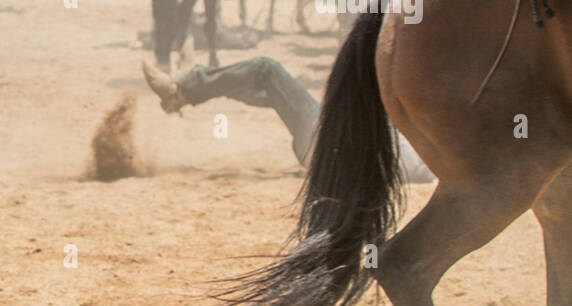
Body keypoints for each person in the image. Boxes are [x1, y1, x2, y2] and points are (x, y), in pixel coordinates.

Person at [142, 57, 435, 184]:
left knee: (266, 70)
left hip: (332, 145)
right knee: (271, 89)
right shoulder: (436, 154)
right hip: (335, 146)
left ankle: (182, 88)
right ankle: (192, 88)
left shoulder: (428, 152)